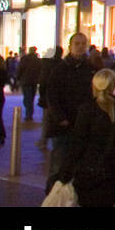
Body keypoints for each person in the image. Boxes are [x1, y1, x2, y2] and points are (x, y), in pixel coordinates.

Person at [56, 69, 115, 206]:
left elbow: (77, 145)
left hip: (88, 169)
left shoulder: (87, 109)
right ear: (114, 86)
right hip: (114, 169)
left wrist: (64, 175)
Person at [44, 33, 96, 192]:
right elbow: (51, 96)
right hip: (64, 126)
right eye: (77, 43)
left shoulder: (90, 69)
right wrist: (60, 118)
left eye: (83, 43)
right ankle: (52, 196)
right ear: (70, 46)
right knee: (58, 165)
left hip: (82, 126)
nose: (80, 46)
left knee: (79, 165)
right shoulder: (60, 69)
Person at [18, 46, 42, 122]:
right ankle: (29, 113)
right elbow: (40, 70)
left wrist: (18, 78)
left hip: (26, 81)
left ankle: (29, 114)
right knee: (31, 98)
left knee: (27, 98)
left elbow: (20, 69)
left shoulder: (24, 59)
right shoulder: (38, 60)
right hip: (34, 81)